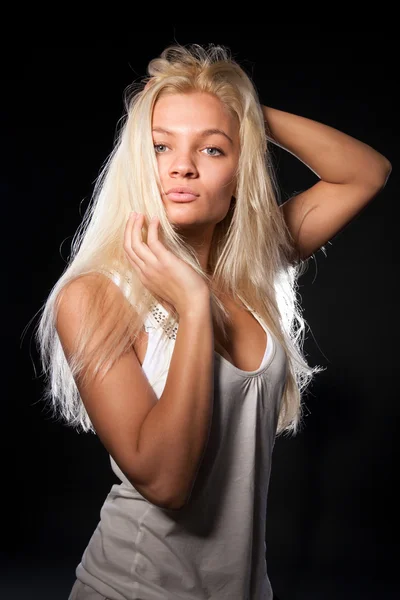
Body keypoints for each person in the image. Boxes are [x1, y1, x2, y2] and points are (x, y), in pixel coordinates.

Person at [34, 43, 391, 600]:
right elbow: (167, 483)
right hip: (132, 589)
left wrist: (241, 111)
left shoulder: (254, 268)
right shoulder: (96, 297)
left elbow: (365, 173)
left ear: (239, 169)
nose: (182, 164)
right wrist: (194, 306)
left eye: (213, 149)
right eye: (160, 146)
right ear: (138, 163)